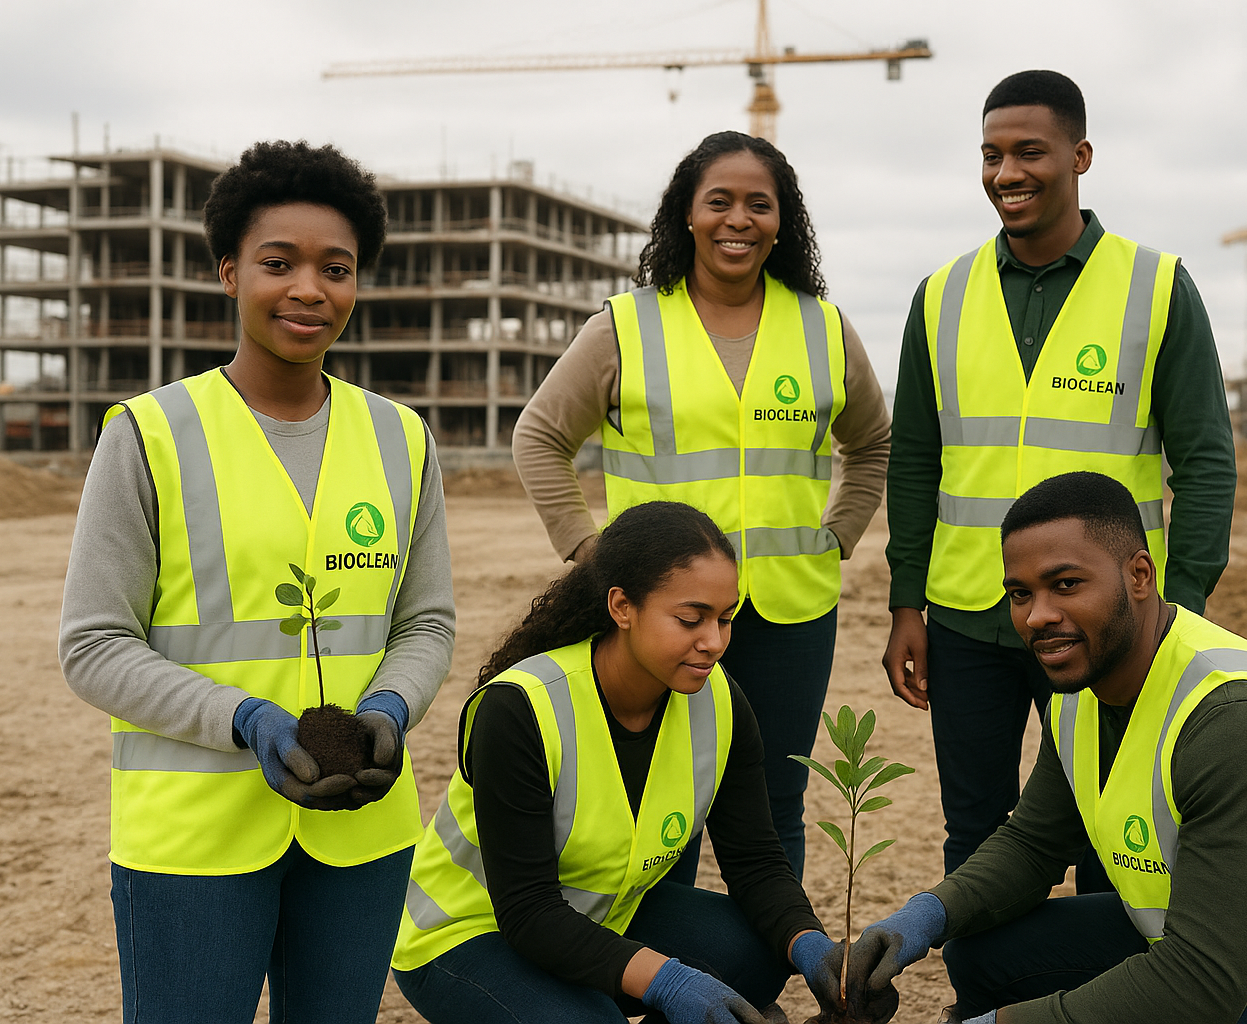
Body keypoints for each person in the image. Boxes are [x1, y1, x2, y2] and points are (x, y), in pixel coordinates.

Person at [57, 140, 456, 1023]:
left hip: (361, 830)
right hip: (193, 843)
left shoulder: (403, 440)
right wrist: (245, 720)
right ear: (229, 272)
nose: (309, 289)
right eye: (279, 263)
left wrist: (391, 709)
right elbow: (92, 645)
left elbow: (425, 622)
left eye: (336, 268)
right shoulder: (149, 434)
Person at [848, 471, 1247, 1023]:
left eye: (1065, 584)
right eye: (1022, 593)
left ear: (1140, 575)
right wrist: (921, 919)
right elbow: (1033, 845)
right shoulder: (1082, 685)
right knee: (985, 955)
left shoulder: (1240, 721)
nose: (1037, 616)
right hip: (1229, 955)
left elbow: (1200, 986)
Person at [881, 69, 1237, 890]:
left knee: (1114, 834)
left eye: (1029, 152)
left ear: (1079, 156)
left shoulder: (1155, 290)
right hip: (968, 618)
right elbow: (914, 461)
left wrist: (1179, 601)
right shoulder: (938, 298)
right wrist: (907, 601)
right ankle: (985, 1005)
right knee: (975, 832)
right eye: (992, 154)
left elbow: (1207, 461)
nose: (1007, 173)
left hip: (1107, 619)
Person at [513, 130, 890, 881]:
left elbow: (874, 442)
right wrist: (594, 557)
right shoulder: (624, 327)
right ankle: (670, 989)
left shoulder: (823, 329)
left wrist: (838, 537)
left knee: (776, 804)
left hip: (791, 614)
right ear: (687, 214)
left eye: (760, 204)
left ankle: (770, 976)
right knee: (663, 808)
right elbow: (540, 436)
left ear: (783, 222)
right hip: (661, 616)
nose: (738, 219)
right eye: (719, 201)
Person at [391, 500, 863, 1024]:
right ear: (622, 606)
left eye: (726, 619)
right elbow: (529, 913)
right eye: (690, 619)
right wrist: (669, 980)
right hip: (472, 932)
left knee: (758, 956)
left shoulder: (721, 703)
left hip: (603, 913)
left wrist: (814, 950)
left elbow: (756, 861)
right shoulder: (520, 708)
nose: (714, 643)